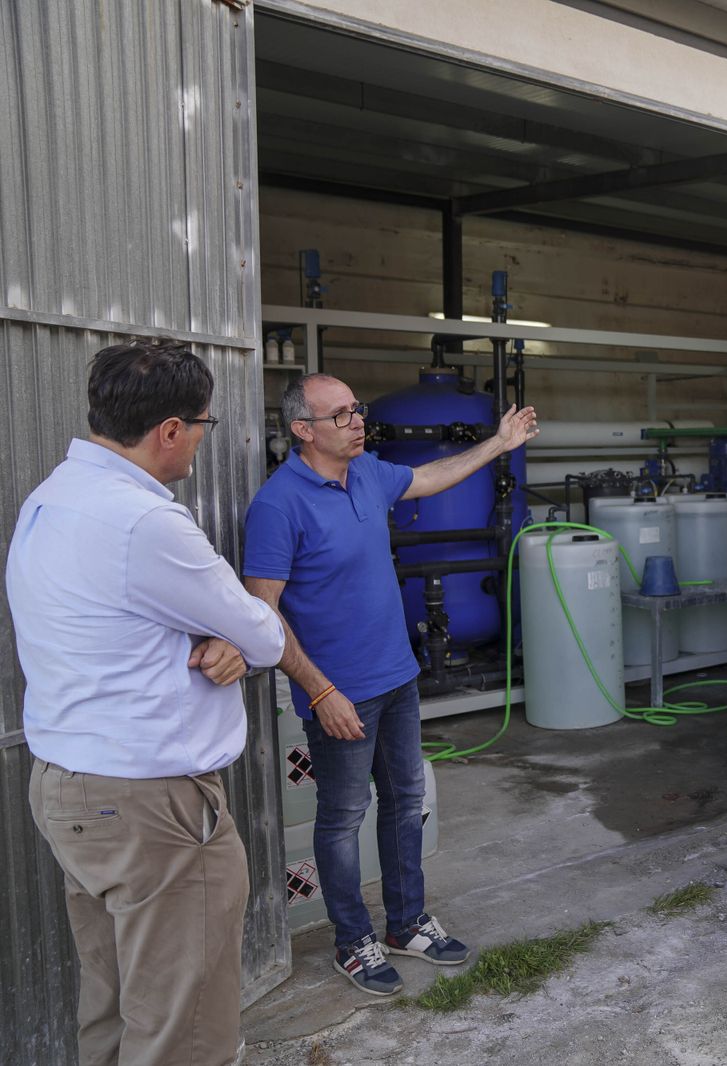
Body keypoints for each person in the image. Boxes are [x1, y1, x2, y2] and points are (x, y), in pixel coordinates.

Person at [9, 340, 286, 1066]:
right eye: (204, 423)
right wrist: (229, 632)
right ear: (170, 430)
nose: (201, 436)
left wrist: (211, 632)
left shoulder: (52, 499)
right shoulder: (145, 523)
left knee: (115, 1008)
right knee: (182, 1032)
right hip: (151, 806)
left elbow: (124, 626)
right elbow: (261, 633)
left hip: (72, 791)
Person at [243, 373, 537, 996]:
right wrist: (320, 692)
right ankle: (353, 941)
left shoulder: (371, 473)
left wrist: (499, 444)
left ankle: (406, 923)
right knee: (343, 817)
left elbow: (431, 477)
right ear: (303, 429)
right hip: (338, 692)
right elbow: (260, 610)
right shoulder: (278, 504)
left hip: (397, 676)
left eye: (359, 410)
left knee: (405, 801)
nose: (358, 422)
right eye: (342, 414)